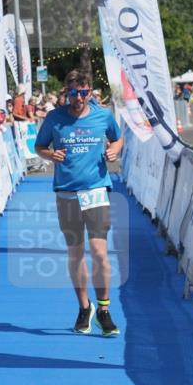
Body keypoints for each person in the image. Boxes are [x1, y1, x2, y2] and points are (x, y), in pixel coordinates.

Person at [34, 70, 124, 337]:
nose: (79, 98)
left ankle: (104, 309)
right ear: (66, 92)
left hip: (96, 190)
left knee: (99, 253)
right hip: (67, 193)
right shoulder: (54, 118)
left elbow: (118, 137)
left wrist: (114, 149)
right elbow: (39, 147)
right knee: (75, 254)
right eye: (74, 93)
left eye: (84, 93)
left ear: (90, 92)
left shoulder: (103, 115)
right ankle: (85, 307)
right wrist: (51, 154)